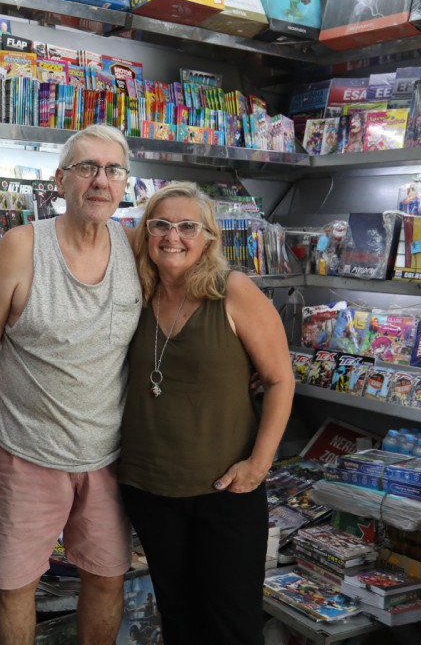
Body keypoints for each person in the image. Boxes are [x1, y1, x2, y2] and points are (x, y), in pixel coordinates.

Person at [0, 124, 141, 645]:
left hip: (107, 456)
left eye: (112, 170)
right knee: (16, 587)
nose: (100, 181)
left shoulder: (134, 248)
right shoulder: (22, 247)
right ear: (60, 180)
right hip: (24, 451)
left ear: (125, 184)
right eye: (86, 169)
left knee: (107, 580)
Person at [118, 183, 294, 645]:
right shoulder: (134, 294)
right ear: (146, 234)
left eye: (187, 226)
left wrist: (259, 465)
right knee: (178, 620)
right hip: (149, 490)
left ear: (209, 238)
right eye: (160, 224)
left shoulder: (232, 291)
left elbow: (279, 380)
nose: (172, 236)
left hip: (225, 492)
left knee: (231, 624)